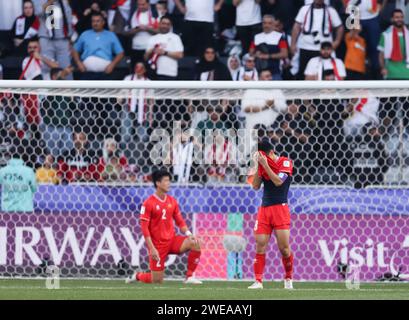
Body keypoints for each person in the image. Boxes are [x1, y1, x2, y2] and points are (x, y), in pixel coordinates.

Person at [126, 170, 202, 284]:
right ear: (158, 183)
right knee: (157, 280)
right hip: (157, 246)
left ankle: (189, 277)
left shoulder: (172, 201)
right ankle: (137, 275)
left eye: (169, 180)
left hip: (172, 241)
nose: (169, 183)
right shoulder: (148, 203)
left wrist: (189, 234)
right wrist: (152, 248)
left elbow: (180, 221)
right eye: (166, 180)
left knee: (195, 243)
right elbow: (144, 228)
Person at [248, 139, 294, 290]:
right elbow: (255, 186)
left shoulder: (285, 162)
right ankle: (258, 281)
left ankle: (288, 278)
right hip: (264, 209)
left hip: (280, 209)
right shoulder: (262, 165)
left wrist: (266, 165)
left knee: (284, 248)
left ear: (271, 153)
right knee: (260, 245)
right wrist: (258, 167)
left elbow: (278, 182)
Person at [291, 0, 344, 79]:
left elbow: (340, 27)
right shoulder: (304, 9)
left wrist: (337, 41)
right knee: (303, 73)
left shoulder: (331, 11)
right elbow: (296, 26)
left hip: (324, 48)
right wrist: (293, 44)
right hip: (305, 47)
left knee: (326, 73)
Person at [72, 12, 125, 80]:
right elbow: (75, 50)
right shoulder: (85, 34)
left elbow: (120, 53)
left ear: (103, 22)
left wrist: (112, 65)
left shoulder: (111, 35)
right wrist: (78, 63)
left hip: (105, 73)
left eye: (98, 21)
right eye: (93, 21)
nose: (95, 23)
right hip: (87, 73)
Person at [33, 0, 73, 79]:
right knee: (46, 68)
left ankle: (68, 90)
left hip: (63, 39)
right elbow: (37, 12)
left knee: (66, 69)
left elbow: (68, 19)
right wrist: (49, 2)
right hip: (46, 38)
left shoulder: (64, 2)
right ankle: (46, 90)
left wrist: (70, 37)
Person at [0, 144, 37, 212]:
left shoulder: (2, 171)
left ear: (9, 155)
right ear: (22, 155)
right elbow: (34, 188)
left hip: (7, 208)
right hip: (26, 208)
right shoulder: (29, 171)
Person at [144, 15, 184, 80]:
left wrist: (164, 52)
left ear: (171, 26)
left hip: (170, 73)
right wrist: (151, 51)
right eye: (163, 23)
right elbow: (145, 58)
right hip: (153, 72)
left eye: (168, 24)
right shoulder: (152, 38)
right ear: (159, 24)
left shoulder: (175, 37)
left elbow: (180, 55)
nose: (165, 26)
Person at [251, 15, 288, 80]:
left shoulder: (279, 36)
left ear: (273, 24)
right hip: (259, 73)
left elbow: (284, 54)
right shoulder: (256, 37)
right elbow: (251, 52)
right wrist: (256, 54)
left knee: (277, 90)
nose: (266, 25)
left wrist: (268, 56)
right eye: (264, 23)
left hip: (274, 73)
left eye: (269, 23)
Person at [378, 9, 409, 80]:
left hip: (407, 73)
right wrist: (383, 68)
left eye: (401, 17)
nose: (399, 19)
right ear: (392, 19)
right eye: (397, 17)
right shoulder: (385, 35)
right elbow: (381, 55)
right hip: (391, 73)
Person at [128, 0, 159, 69]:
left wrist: (147, 28)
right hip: (135, 48)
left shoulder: (155, 13)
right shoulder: (133, 13)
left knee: (150, 72)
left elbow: (159, 32)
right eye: (139, 5)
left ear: (148, 4)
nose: (140, 6)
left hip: (150, 49)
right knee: (135, 72)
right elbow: (127, 32)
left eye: (143, 4)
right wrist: (138, 29)